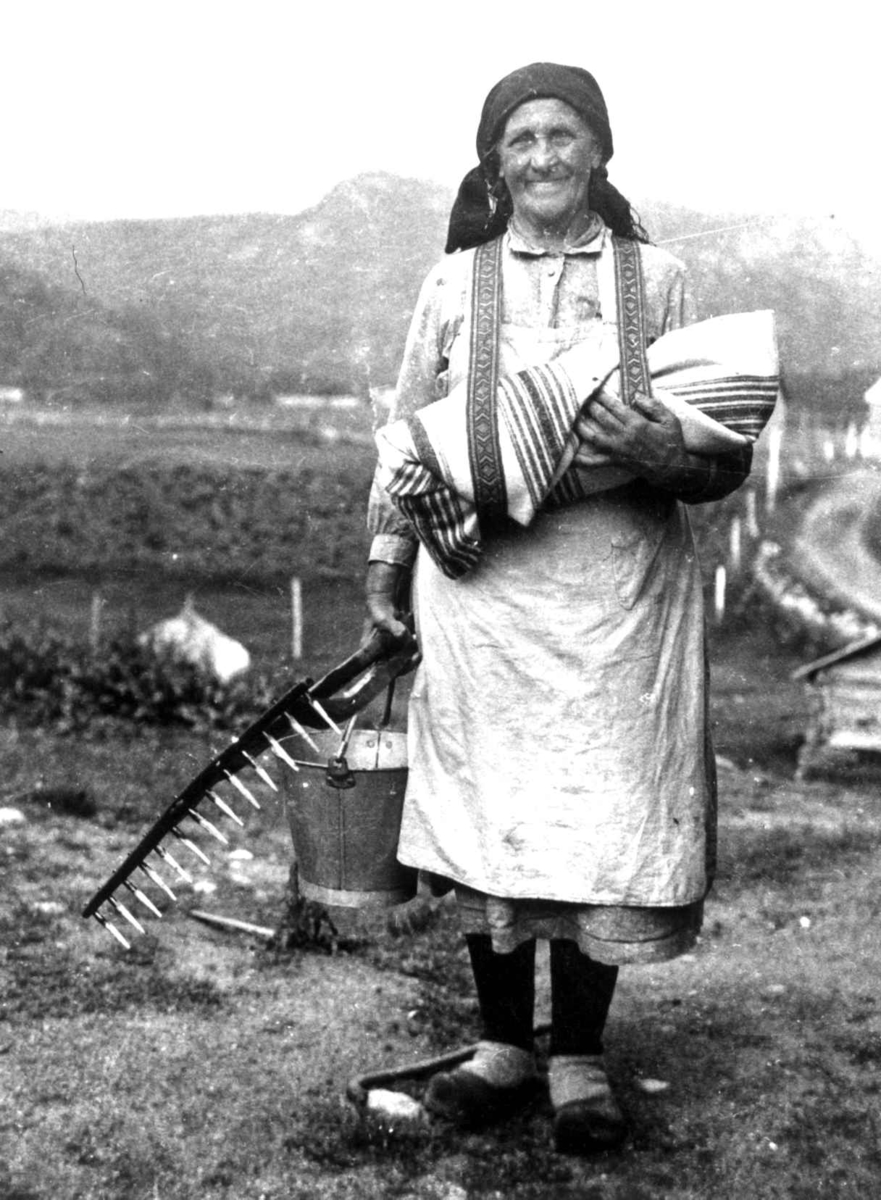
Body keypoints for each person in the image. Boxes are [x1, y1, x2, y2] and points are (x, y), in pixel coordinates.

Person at [365, 62, 754, 1156]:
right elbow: (403, 439)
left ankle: (577, 1056)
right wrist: (383, 569)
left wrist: (668, 455)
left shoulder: (660, 280)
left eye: (562, 135)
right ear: (494, 161)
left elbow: (720, 450)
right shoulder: (453, 284)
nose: (541, 156)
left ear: (599, 152)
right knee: (494, 805)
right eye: (520, 139)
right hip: (480, 592)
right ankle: (502, 1048)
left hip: (619, 599)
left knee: (600, 813)